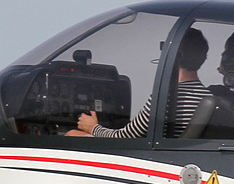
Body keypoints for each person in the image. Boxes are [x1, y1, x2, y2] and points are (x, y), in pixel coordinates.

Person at [66, 28, 211, 138]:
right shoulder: (207, 96)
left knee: (72, 135)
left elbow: (125, 137)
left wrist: (93, 127)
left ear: (175, 56)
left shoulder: (165, 98)